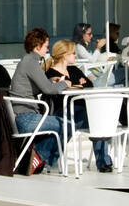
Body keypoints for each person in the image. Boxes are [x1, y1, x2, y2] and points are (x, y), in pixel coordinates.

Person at [44, 39, 112, 171]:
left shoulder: (74, 69)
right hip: (62, 112)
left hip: (80, 112)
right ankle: (49, 159)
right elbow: (60, 92)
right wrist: (78, 85)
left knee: (98, 119)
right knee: (81, 116)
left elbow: (89, 85)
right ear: (65, 55)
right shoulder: (50, 74)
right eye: (73, 53)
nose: (75, 55)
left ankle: (104, 161)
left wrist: (74, 85)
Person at [9, 28, 71, 172]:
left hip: (24, 115)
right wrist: (65, 83)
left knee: (63, 124)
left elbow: (35, 88)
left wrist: (50, 80)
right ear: (38, 46)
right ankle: (40, 158)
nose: (48, 50)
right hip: (26, 118)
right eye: (46, 46)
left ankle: (40, 160)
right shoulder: (31, 62)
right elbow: (48, 90)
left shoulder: (27, 61)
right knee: (68, 125)